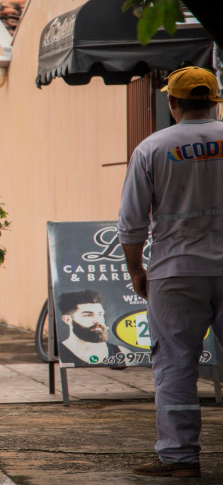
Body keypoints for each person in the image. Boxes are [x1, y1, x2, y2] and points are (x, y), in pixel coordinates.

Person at [117, 66, 223, 479]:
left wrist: (135, 269)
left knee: (176, 364)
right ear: (215, 100)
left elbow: (131, 221)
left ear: (173, 102)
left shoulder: (153, 147)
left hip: (175, 271)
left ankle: (180, 459)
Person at [56, 289, 121, 367]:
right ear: (68, 320)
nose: (97, 321)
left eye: (100, 314)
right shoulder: (61, 356)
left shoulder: (122, 353)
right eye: (88, 315)